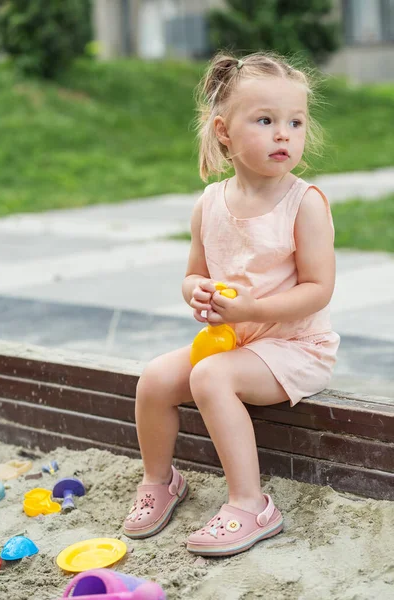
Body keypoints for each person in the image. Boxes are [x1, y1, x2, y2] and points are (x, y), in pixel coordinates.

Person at [123, 51, 340, 557]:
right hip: (237, 341)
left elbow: (318, 289)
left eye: (295, 121)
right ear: (224, 131)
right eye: (265, 120)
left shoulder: (303, 203)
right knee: (155, 378)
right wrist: (195, 290)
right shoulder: (210, 202)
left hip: (295, 346)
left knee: (209, 377)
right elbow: (194, 272)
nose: (283, 133)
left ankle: (250, 504)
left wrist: (250, 311)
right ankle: (160, 481)